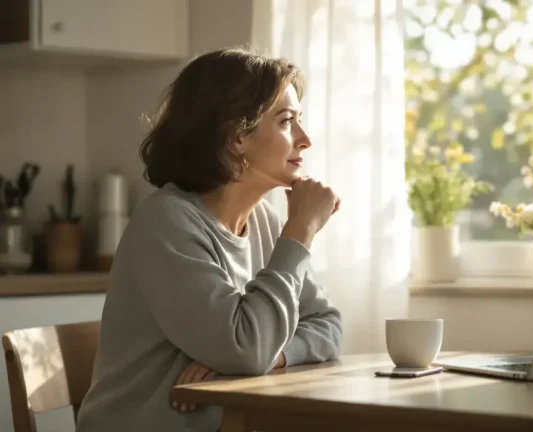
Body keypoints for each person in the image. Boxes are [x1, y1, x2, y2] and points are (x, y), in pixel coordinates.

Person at [76, 48, 343, 432]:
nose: (305, 139)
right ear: (237, 137)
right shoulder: (167, 221)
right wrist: (301, 230)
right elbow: (247, 348)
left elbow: (328, 326)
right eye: (287, 122)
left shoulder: (264, 221)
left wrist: (277, 355)